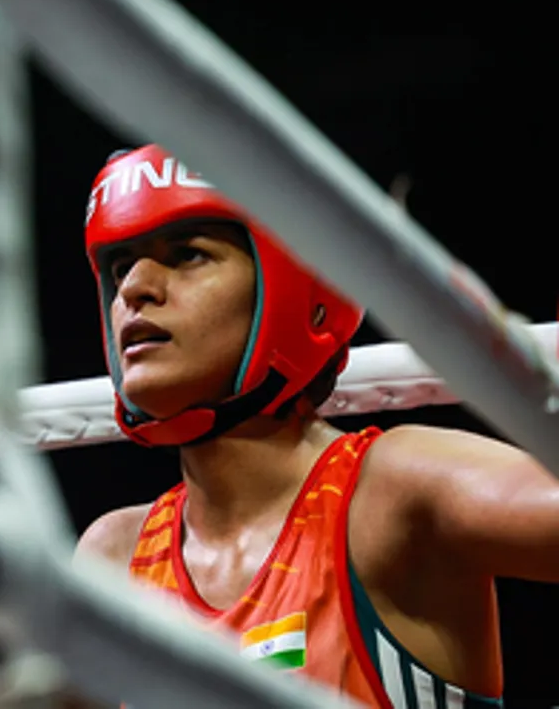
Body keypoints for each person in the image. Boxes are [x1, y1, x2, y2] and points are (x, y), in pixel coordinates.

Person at [73, 144, 559, 708]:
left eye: (187, 254)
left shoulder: (387, 498)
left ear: (293, 285)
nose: (135, 288)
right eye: (120, 266)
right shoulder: (115, 558)